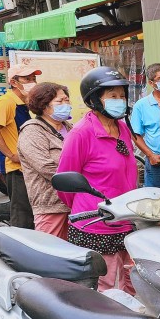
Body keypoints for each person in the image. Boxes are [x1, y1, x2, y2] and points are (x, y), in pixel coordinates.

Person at [57, 67, 138, 292]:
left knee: (132, 279)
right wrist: (88, 207)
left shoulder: (121, 127)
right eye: (112, 96)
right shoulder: (81, 133)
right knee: (103, 286)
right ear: (94, 99)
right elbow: (65, 181)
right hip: (96, 223)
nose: (120, 101)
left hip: (127, 217)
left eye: (122, 96)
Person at [0, 64, 39, 228]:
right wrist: (11, 154)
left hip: (26, 166)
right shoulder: (7, 101)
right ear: (14, 82)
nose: (32, 82)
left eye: (33, 78)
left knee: (31, 213)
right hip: (16, 168)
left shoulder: (23, 103)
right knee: (21, 214)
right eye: (26, 79)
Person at [17, 82, 72, 239]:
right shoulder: (32, 131)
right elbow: (46, 167)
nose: (65, 105)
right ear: (44, 105)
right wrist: (80, 180)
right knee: (50, 252)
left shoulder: (70, 128)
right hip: (51, 205)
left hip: (76, 203)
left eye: (67, 100)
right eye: (59, 101)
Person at [130, 63, 160, 189]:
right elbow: (135, 134)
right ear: (151, 83)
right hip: (158, 162)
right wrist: (150, 155)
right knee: (157, 199)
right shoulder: (142, 105)